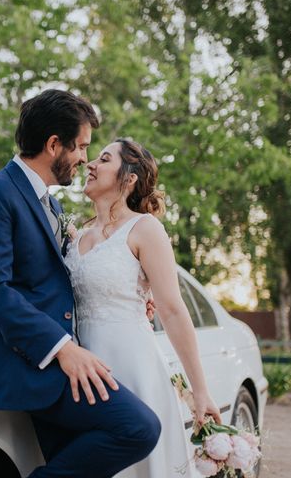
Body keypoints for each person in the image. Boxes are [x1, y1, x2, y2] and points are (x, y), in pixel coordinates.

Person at [0, 90, 161, 478]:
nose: (85, 158)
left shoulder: (51, 205)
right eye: (82, 147)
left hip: (64, 361)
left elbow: (61, 277)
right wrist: (63, 349)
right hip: (29, 362)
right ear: (54, 144)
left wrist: (134, 293)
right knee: (139, 428)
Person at [64, 138, 223, 477]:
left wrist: (200, 391)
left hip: (133, 366)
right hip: (81, 368)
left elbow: (173, 310)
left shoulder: (145, 229)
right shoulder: (75, 234)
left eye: (104, 159)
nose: (90, 164)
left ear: (129, 178)